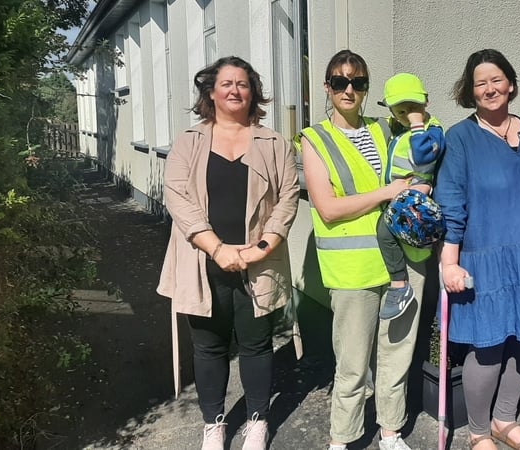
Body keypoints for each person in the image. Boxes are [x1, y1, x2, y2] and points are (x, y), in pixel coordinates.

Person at [157, 56, 299, 450]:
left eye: (243, 84)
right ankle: (214, 423)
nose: (235, 90)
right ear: (212, 92)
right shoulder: (189, 141)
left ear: (253, 92)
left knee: (256, 344)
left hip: (259, 263)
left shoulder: (274, 142)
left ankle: (257, 420)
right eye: (227, 84)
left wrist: (262, 247)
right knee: (208, 347)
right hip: (202, 261)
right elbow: (178, 199)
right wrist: (217, 248)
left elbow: (287, 200)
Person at [434, 49, 520, 450]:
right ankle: (477, 432)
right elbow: (451, 201)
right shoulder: (460, 138)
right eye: (480, 83)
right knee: (488, 346)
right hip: (485, 255)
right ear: (470, 92)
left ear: (510, 84)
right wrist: (449, 260)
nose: (489, 89)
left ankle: (504, 420)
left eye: (496, 80)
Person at [297, 49, 425, 450]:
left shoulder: (385, 128)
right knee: (352, 365)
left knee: (396, 355)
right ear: (327, 87)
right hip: (352, 269)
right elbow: (329, 208)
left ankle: (390, 431)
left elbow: (421, 150)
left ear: (368, 88)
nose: (349, 89)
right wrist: (388, 192)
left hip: (402, 260)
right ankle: (344, 437)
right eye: (340, 81)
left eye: (358, 82)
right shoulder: (314, 138)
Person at [375, 72, 445, 321]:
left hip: (415, 194)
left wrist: (417, 124)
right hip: (399, 195)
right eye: (401, 111)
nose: (408, 115)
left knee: (384, 231)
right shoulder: (397, 127)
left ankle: (399, 285)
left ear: (426, 101)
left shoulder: (431, 130)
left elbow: (424, 155)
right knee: (392, 234)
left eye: (413, 108)